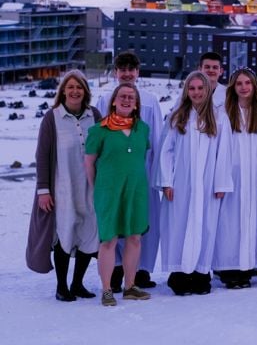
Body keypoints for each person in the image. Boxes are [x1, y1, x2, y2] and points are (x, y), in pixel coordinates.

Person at [26, 70, 101, 302]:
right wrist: (43, 190)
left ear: (85, 91)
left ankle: (78, 284)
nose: (75, 91)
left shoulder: (95, 115)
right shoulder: (52, 117)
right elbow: (42, 155)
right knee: (64, 235)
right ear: (63, 91)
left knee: (89, 234)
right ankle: (61, 287)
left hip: (90, 188)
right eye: (70, 87)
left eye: (79, 87)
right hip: (63, 188)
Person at [158, 71, 233, 295]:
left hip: (208, 184)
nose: (197, 92)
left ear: (207, 91)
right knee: (180, 226)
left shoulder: (219, 118)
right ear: (186, 91)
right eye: (192, 88)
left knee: (206, 227)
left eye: (201, 88)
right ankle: (179, 274)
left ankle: (201, 273)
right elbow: (166, 152)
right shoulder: (177, 117)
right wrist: (166, 182)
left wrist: (220, 184)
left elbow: (224, 153)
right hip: (181, 184)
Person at [96, 51, 162, 292]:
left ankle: (141, 270)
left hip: (142, 170)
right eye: (122, 69)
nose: (126, 74)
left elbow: (156, 140)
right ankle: (115, 269)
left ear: (137, 72)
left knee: (141, 222)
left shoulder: (151, 100)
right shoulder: (105, 100)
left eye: (131, 69)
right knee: (116, 219)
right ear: (116, 73)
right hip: (114, 172)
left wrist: (157, 175)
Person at [85, 83, 152, 306]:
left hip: (136, 191)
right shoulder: (99, 130)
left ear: (136, 103)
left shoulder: (142, 128)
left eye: (131, 97)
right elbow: (89, 163)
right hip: (108, 191)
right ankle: (106, 289)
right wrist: (98, 188)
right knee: (109, 240)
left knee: (134, 237)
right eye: (122, 96)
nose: (126, 100)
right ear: (113, 101)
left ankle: (130, 286)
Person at [213, 68, 257, 289]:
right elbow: (217, 148)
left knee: (251, 221)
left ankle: (246, 267)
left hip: (254, 175)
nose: (244, 87)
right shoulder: (222, 113)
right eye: (239, 83)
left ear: (254, 86)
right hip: (231, 175)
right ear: (233, 87)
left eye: (248, 83)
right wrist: (218, 178)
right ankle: (228, 268)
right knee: (229, 223)